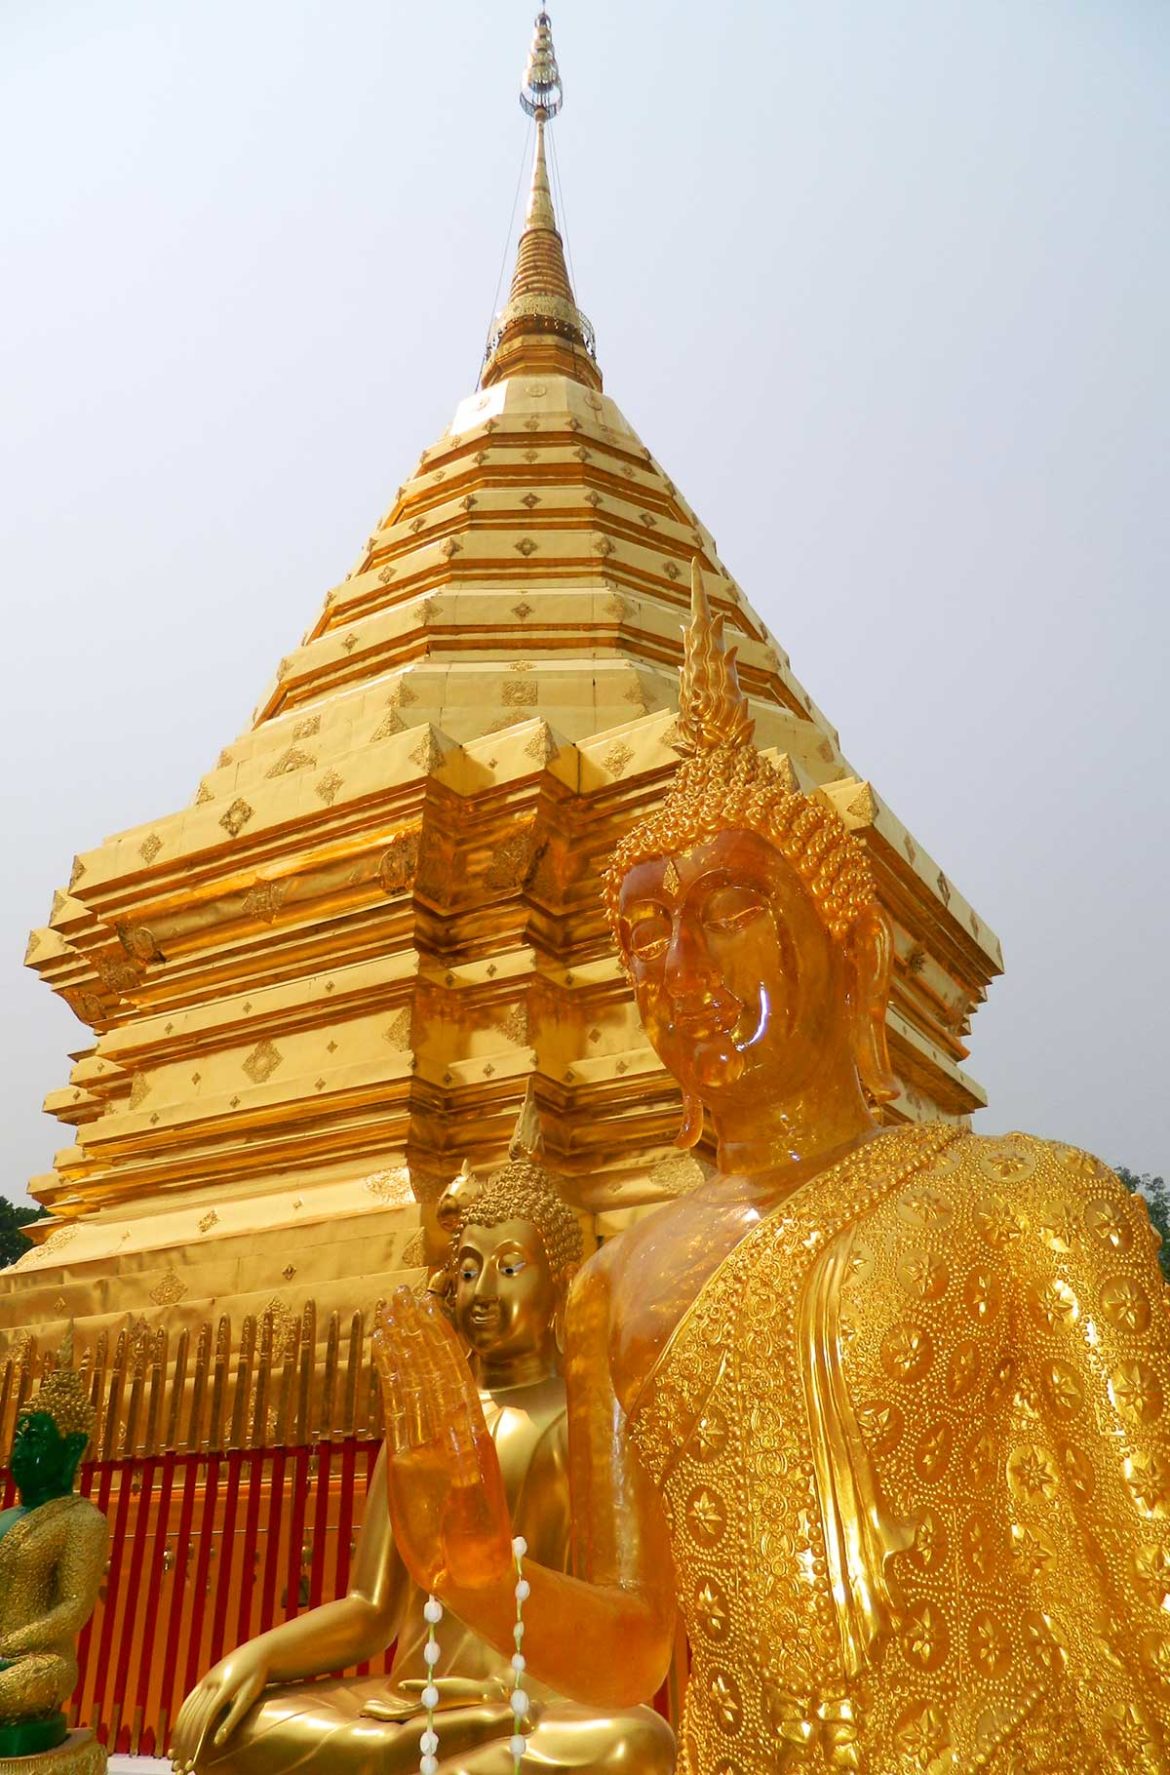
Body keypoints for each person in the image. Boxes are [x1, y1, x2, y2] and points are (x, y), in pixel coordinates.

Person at [373, 562, 1170, 1773]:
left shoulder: (1032, 1204)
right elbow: (638, 1651)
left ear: (855, 952)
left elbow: (1151, 1589)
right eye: (643, 929)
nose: (677, 959)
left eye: (731, 905)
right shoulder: (608, 1291)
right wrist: (480, 1575)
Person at [170, 1122, 674, 1775]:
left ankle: (435, 1751)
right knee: (228, 1727)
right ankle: (423, 1752)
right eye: (467, 1269)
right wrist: (258, 1655)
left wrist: (498, 1581)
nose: (482, 1291)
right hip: (411, 1704)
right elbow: (371, 1609)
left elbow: (624, 1625)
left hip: (543, 1701)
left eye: (510, 1267)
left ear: (563, 1281)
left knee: (632, 1744)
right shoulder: (425, 1420)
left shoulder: (590, 1416)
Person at [0, 1332, 108, 1755]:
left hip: (38, 1660)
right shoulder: (5, 1517)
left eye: (36, 1440)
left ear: (73, 1448)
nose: (21, 1453)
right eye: (18, 1439)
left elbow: (74, 1606)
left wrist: (9, 1645)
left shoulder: (83, 1520)